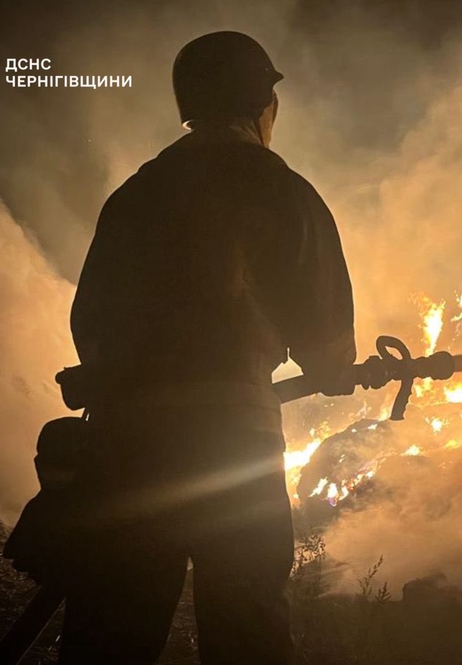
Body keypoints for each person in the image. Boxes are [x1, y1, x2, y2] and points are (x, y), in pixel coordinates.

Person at [59, 31, 356, 664]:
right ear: (262, 104)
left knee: (110, 632)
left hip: (126, 448)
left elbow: (91, 321)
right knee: (246, 628)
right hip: (231, 445)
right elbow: (326, 341)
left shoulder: (136, 195)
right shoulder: (281, 191)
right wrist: (336, 369)